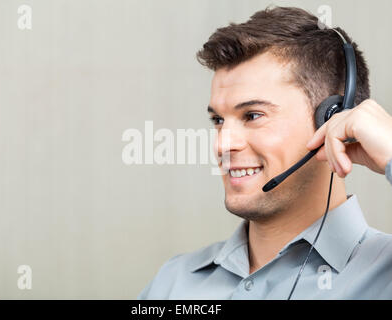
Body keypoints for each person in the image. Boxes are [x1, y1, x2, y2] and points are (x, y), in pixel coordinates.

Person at [138, 6, 392, 299]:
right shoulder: (173, 283)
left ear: (332, 119)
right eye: (218, 121)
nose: (222, 145)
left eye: (252, 115)